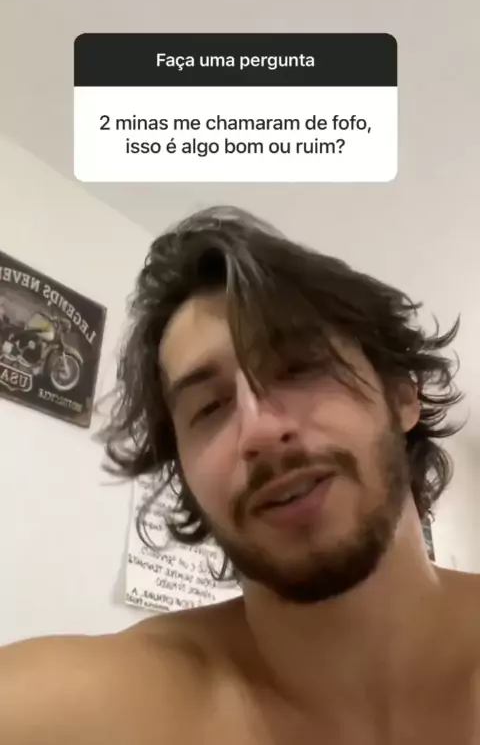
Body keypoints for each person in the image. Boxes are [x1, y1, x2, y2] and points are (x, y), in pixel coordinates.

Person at [1, 206, 479, 744]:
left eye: (299, 368)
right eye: (209, 408)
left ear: (402, 396)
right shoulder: (99, 709)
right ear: (184, 472)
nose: (259, 430)